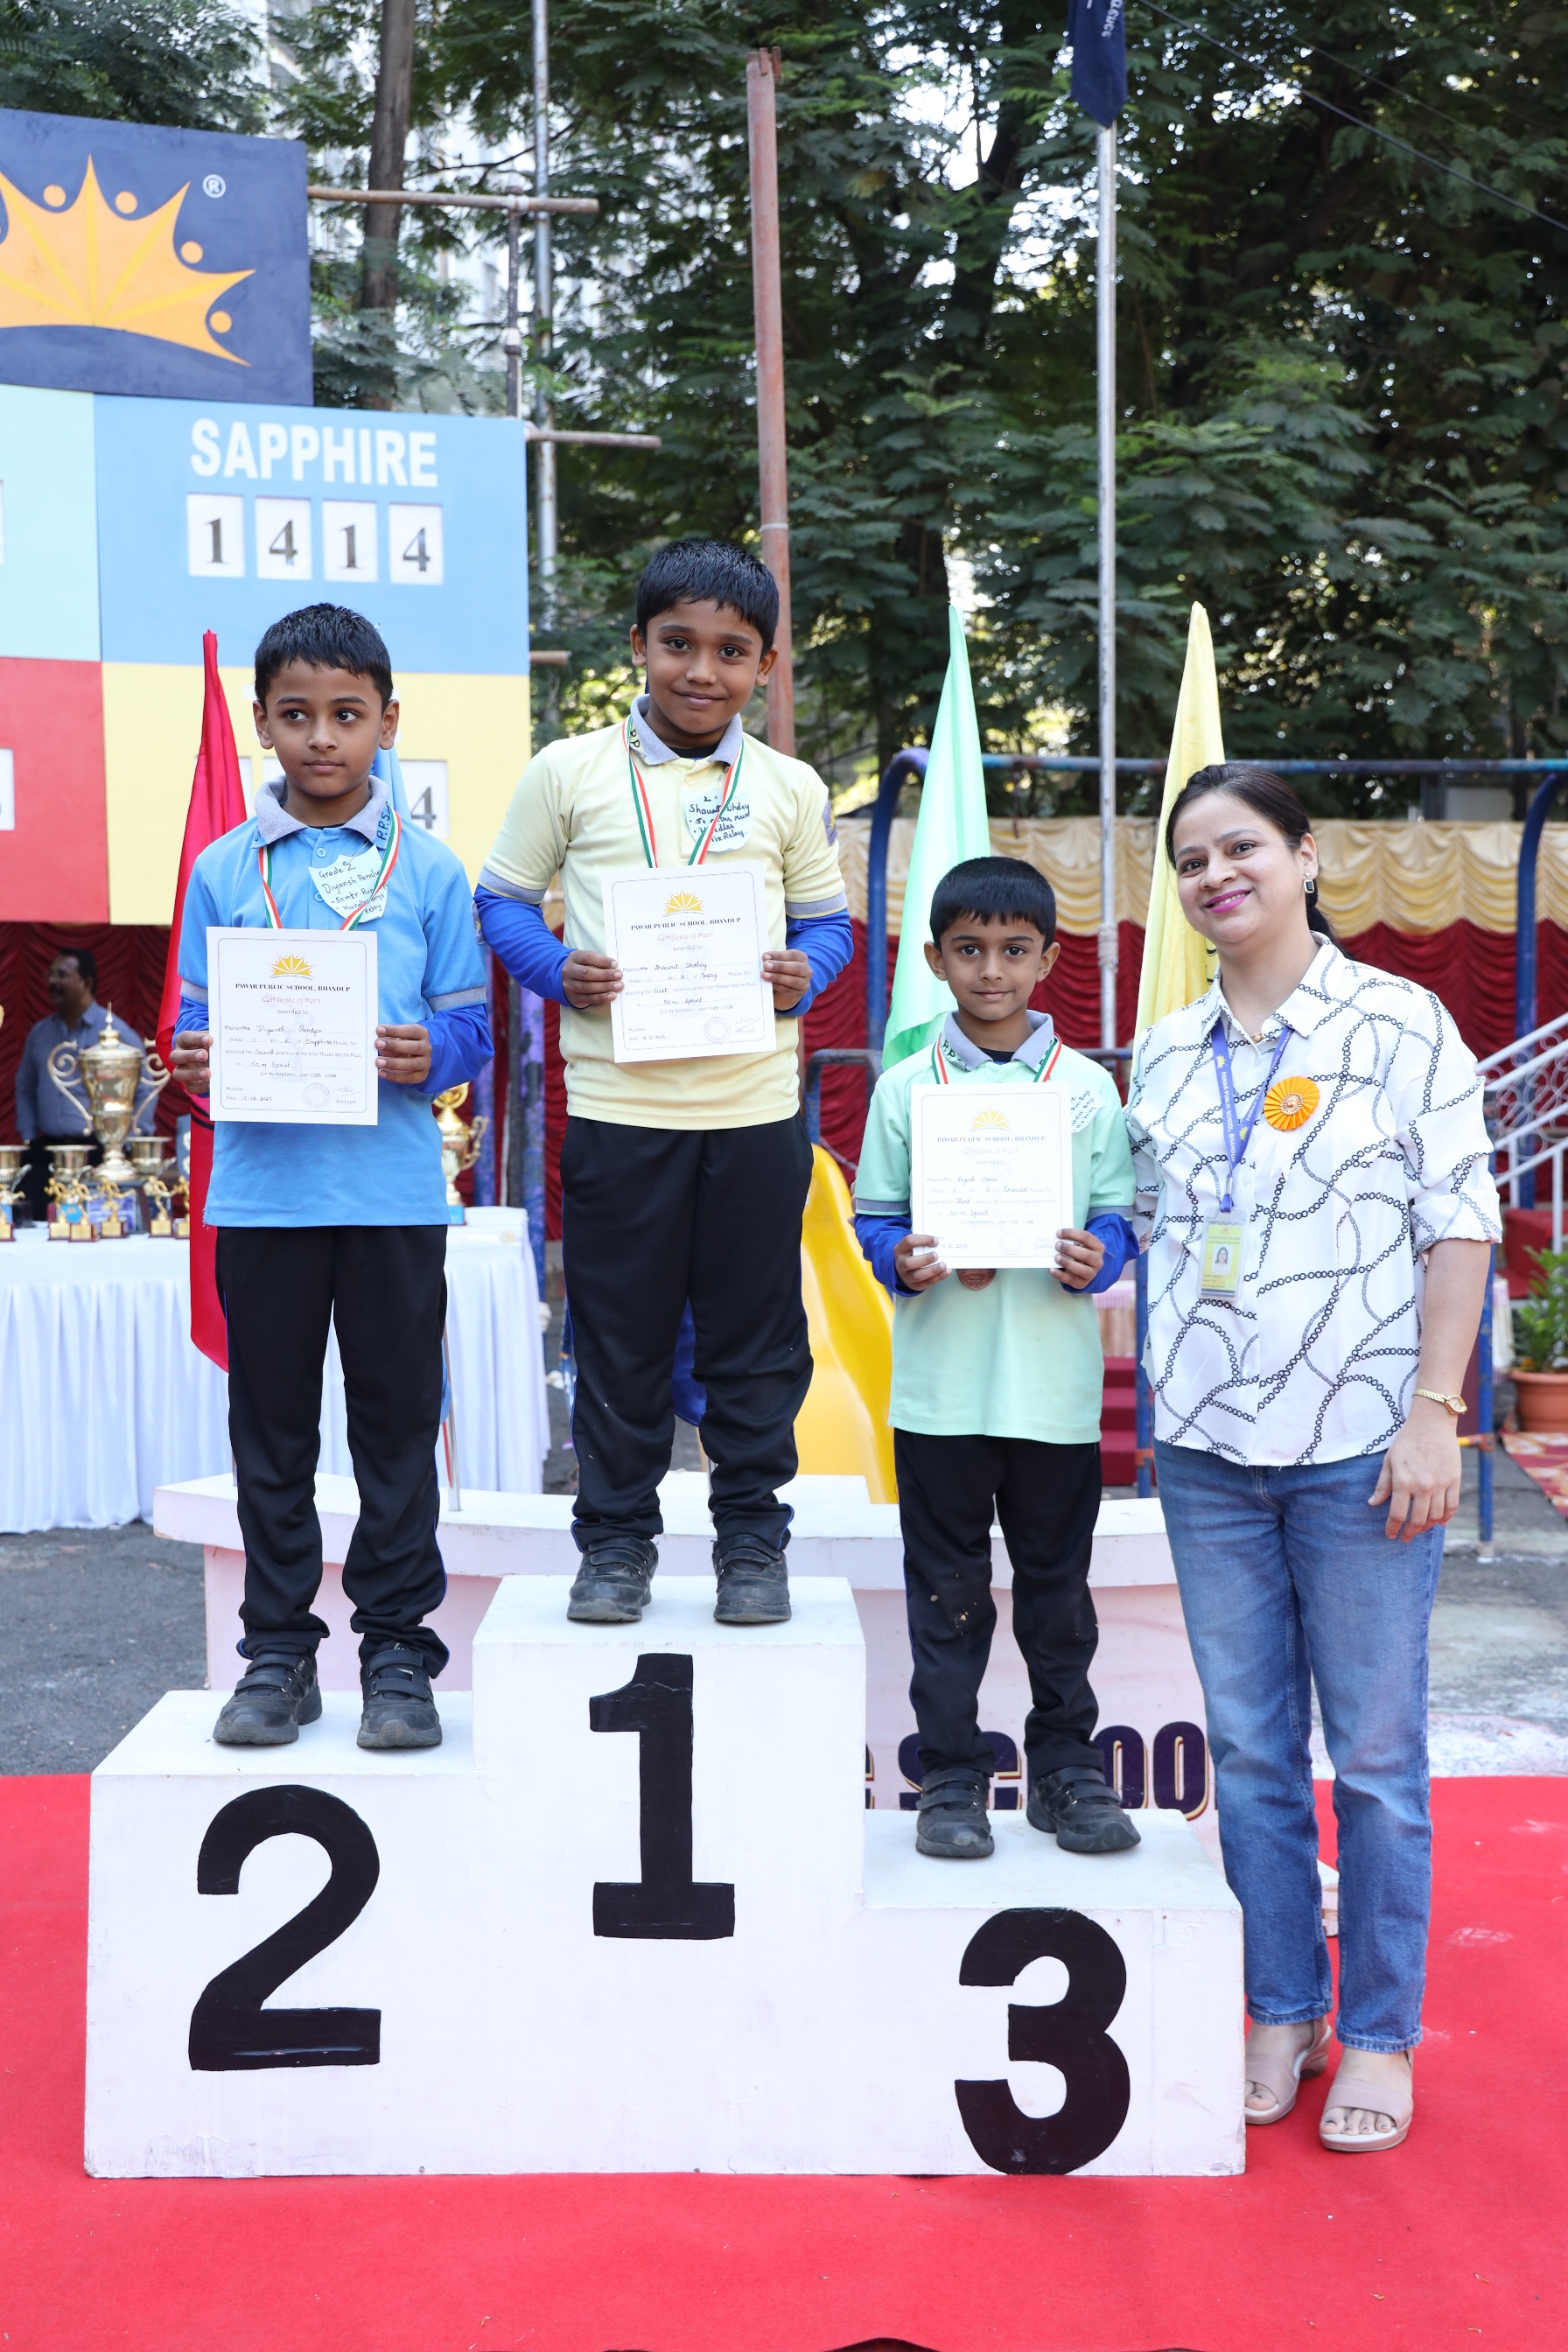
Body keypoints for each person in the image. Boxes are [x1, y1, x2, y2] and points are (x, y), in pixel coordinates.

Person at [1127, 762, 1499, 2154]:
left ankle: (1381, 2034)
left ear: (1306, 855)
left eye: (1242, 849)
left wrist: (1435, 1410)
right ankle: (1281, 2009)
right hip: (1209, 1453)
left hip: (1363, 1452)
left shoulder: (1401, 1024)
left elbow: (1458, 1224)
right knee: (1251, 1754)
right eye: (1192, 861)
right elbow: (1141, 1237)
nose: (1216, 876)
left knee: (1381, 1758)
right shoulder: (1167, 1055)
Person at [477, 538, 851, 1628]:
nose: (702, 670)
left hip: (753, 1113)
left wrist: (807, 971)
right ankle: (614, 1544)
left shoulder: (787, 786)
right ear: (638, 644)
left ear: (766, 666)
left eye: (731, 652)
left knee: (758, 1342)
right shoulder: (566, 772)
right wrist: (557, 970)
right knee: (617, 1338)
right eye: (679, 643)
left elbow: (826, 924)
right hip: (618, 1108)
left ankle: (751, 1542)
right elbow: (501, 901)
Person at [170, 604, 492, 1752]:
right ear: (262, 722)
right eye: (297, 714)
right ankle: (277, 1655)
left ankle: (398, 1654)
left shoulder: (430, 871)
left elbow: (469, 1035)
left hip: (393, 1197)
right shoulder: (223, 870)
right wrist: (197, 1063)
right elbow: (194, 1033)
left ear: (387, 723)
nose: (322, 737)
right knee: (272, 1437)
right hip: (264, 1197)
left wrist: (428, 1056)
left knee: (397, 1433)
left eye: (346, 715)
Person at [853, 856, 1140, 1859]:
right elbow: (874, 1221)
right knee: (947, 1597)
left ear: (1048, 959)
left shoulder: (1086, 1091)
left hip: (1053, 1394)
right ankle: (949, 1779)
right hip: (940, 1394)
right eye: (968, 950)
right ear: (934, 960)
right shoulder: (904, 1088)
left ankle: (1064, 1771)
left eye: (1013, 951)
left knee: (1058, 1596)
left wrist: (1100, 1253)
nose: (990, 971)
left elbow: (1118, 1215)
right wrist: (905, 1259)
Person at [13, 948, 158, 1222]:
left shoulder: (117, 1032)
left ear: (87, 983)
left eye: (62, 975)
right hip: (48, 1152)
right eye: (51, 974)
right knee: (35, 1224)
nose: (52, 982)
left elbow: (144, 1088)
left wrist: (126, 1140)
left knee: (102, 1223)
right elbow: (25, 1087)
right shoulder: (40, 1033)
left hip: (99, 1151)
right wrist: (29, 1136)